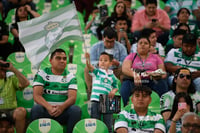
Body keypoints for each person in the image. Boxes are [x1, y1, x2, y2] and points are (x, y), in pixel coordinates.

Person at [30, 49, 81, 133]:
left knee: (75, 110)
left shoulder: (71, 76)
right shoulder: (42, 74)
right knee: (37, 109)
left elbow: (72, 98)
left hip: (62, 111)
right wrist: (49, 107)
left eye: (64, 59)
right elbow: (37, 96)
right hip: (45, 110)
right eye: (58, 58)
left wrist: (61, 108)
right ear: (50, 61)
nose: (62, 61)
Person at [120, 36, 168, 106]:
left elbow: (163, 72)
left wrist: (153, 74)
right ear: (137, 47)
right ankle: (122, 108)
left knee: (162, 83)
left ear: (149, 47)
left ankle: (164, 107)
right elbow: (125, 69)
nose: (143, 45)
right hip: (135, 80)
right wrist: (134, 75)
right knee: (126, 84)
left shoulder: (156, 57)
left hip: (151, 80)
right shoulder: (131, 56)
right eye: (140, 43)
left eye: (145, 43)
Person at [84, 26, 127, 99]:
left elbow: (126, 63)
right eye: (107, 41)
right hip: (99, 71)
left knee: (125, 70)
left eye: (112, 42)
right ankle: (91, 92)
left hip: (115, 70)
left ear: (115, 40)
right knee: (87, 69)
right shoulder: (96, 47)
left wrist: (118, 63)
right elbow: (92, 62)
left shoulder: (121, 47)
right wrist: (101, 62)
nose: (109, 44)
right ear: (103, 38)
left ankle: (122, 94)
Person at [85, 52, 118, 133]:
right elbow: (89, 67)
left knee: (108, 123)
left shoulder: (112, 76)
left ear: (110, 63)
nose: (102, 62)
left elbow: (116, 86)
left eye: (105, 60)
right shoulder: (97, 72)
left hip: (107, 100)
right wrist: (88, 59)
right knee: (95, 122)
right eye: (100, 60)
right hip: (96, 99)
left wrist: (113, 91)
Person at [0, 59, 29, 133]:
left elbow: (25, 83)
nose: (2, 70)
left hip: (11, 111)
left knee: (21, 112)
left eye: (3, 68)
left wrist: (13, 69)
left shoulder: (10, 77)